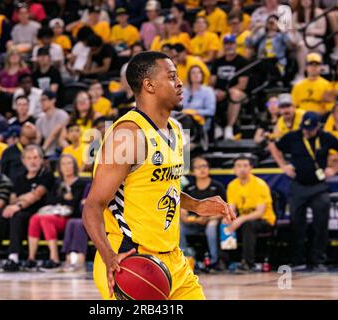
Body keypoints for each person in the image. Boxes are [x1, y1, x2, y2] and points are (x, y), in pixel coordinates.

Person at [83, 51, 235, 300]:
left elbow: (163, 186)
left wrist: (196, 204)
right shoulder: (128, 136)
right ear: (149, 85)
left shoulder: (176, 129)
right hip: (131, 260)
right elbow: (92, 205)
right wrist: (109, 256)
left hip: (173, 259)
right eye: (172, 76)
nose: (180, 82)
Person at [269, 111, 338, 271]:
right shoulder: (293, 136)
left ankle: (318, 260)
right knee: (297, 223)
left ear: (317, 127)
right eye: (304, 128)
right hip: (298, 185)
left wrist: (334, 168)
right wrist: (283, 165)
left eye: (310, 129)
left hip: (319, 187)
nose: (306, 131)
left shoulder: (325, 137)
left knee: (320, 224)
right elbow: (273, 146)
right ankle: (297, 260)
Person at [0, 145, 55, 272]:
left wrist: (19, 204)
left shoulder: (46, 175)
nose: (32, 161)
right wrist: (22, 200)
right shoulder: (19, 177)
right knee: (2, 213)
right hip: (21, 209)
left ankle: (14, 257)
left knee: (16, 215)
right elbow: (13, 198)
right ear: (23, 161)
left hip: (38, 212)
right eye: (29, 158)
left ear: (41, 159)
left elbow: (36, 195)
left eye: (35, 158)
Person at [25, 154, 87, 271]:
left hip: (70, 217)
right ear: (59, 167)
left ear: (74, 166)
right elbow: (49, 201)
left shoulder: (81, 183)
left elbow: (77, 206)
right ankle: (31, 258)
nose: (67, 166)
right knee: (35, 218)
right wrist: (65, 199)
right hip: (55, 216)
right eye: (63, 164)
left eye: (69, 163)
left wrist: (68, 200)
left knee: (45, 219)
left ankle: (54, 258)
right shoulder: (57, 183)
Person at [226, 155, 277, 272]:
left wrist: (240, 219)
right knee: (224, 224)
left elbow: (259, 213)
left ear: (251, 168)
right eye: (238, 166)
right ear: (234, 169)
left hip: (265, 220)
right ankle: (222, 261)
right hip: (244, 219)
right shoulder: (232, 185)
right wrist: (228, 218)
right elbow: (232, 208)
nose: (242, 169)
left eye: (245, 166)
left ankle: (248, 263)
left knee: (248, 224)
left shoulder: (260, 184)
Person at [180, 157, 227, 270]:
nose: (202, 169)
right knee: (178, 226)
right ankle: (184, 257)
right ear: (192, 171)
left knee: (211, 227)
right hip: (194, 222)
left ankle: (214, 261)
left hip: (212, 221)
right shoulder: (188, 188)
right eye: (198, 167)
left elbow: (224, 209)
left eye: (204, 166)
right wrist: (189, 218)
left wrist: (208, 218)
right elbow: (182, 211)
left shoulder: (217, 186)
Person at [210, 34, 248, 140]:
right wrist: (213, 90)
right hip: (220, 91)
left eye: (231, 44)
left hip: (238, 92)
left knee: (234, 94)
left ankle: (229, 127)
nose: (229, 47)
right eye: (227, 44)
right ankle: (216, 126)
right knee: (209, 94)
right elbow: (212, 81)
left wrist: (226, 92)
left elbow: (242, 85)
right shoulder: (218, 62)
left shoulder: (242, 61)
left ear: (235, 45)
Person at [182, 65, 216, 131]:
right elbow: (179, 107)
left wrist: (194, 112)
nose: (196, 75)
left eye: (199, 72)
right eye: (193, 73)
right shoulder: (184, 91)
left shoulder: (208, 91)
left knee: (185, 120)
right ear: (189, 76)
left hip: (199, 120)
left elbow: (211, 111)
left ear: (202, 75)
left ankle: (184, 141)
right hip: (183, 117)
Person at [36, 90, 70, 157]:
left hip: (61, 152)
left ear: (53, 100)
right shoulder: (40, 120)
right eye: (41, 100)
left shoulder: (62, 114)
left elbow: (54, 134)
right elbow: (38, 138)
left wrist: (42, 151)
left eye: (44, 100)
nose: (42, 103)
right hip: (46, 153)